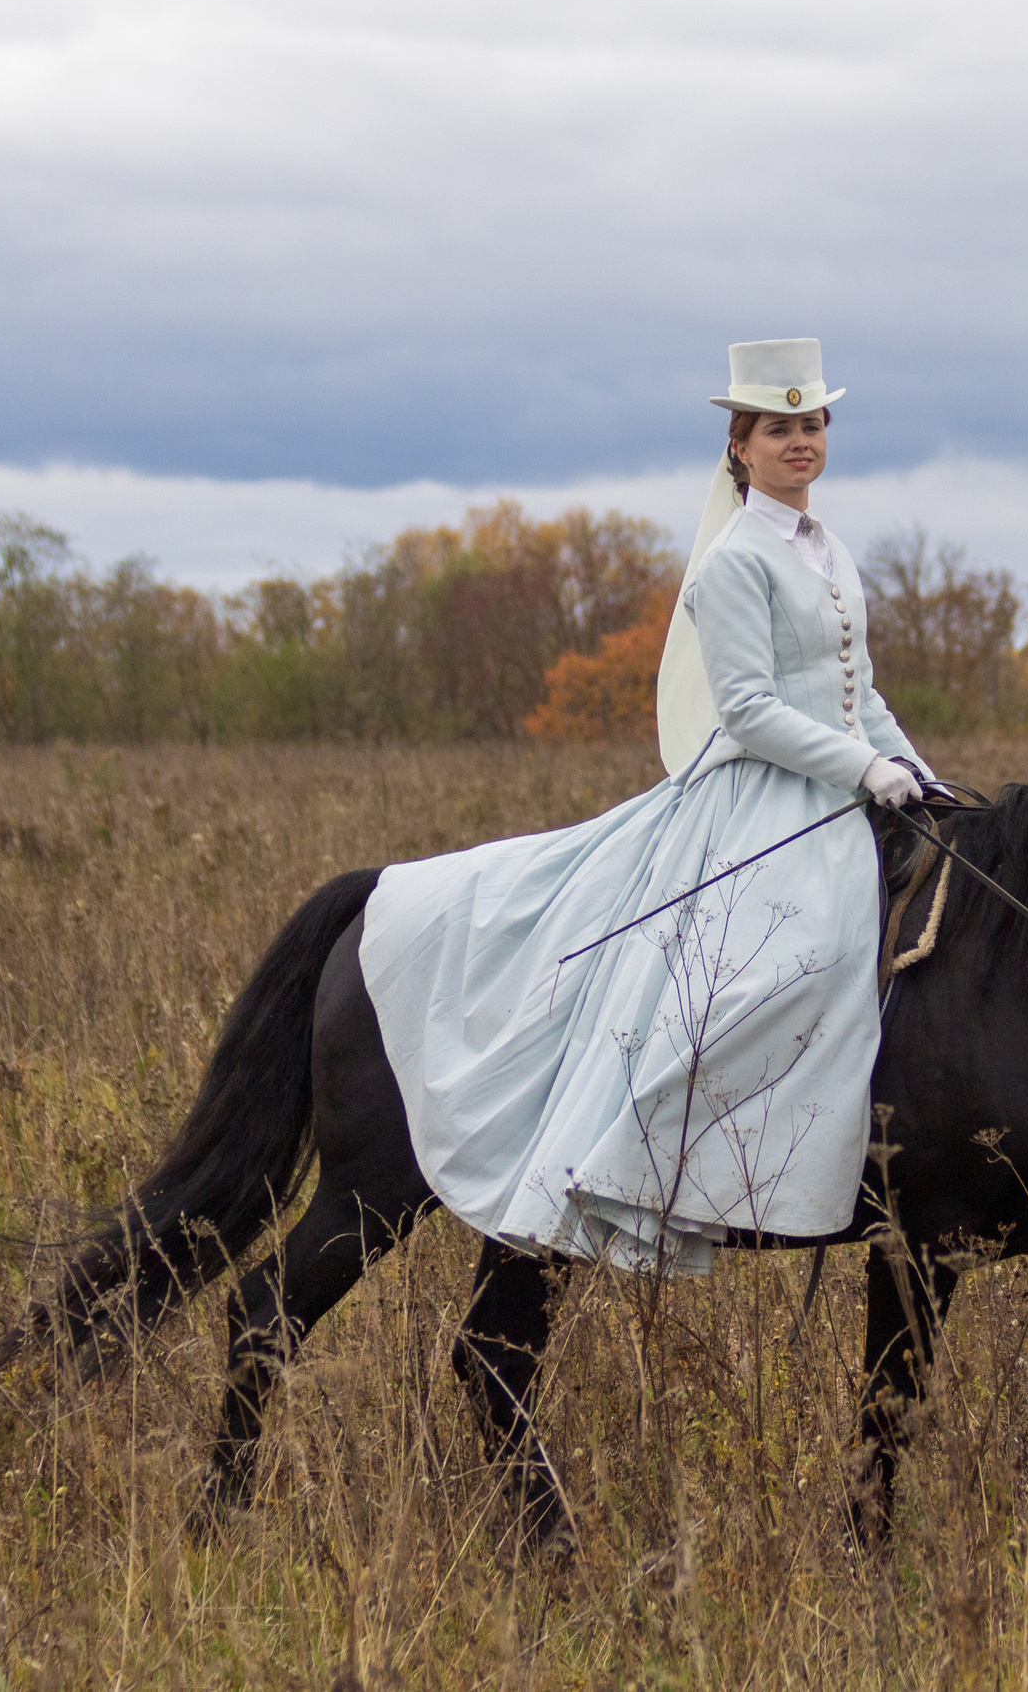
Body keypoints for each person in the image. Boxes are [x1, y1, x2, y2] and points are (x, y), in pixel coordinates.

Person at [358, 339, 929, 1275]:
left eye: (812, 424)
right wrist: (863, 770)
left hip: (843, 785)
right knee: (785, 965)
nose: (799, 442)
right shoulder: (734, 562)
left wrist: (914, 768)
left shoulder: (831, 552)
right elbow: (747, 709)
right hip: (762, 802)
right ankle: (662, 1167)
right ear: (739, 446)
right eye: (778, 428)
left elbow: (858, 688)